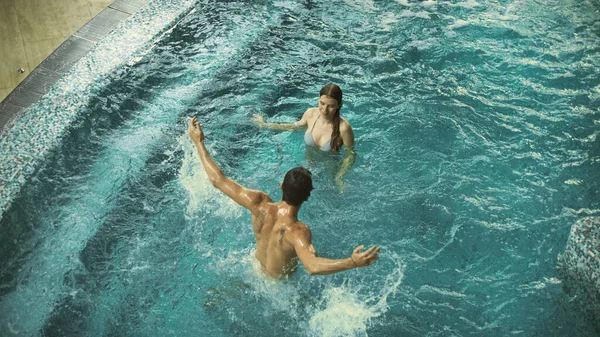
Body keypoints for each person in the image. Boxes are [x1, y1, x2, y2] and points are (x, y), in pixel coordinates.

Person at [188, 117, 379, 278]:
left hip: (253, 270)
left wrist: (199, 142)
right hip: (279, 288)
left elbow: (217, 180)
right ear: (308, 196)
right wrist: (351, 262)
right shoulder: (298, 231)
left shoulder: (259, 203)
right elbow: (312, 266)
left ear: (281, 186)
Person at [252, 84, 356, 189]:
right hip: (308, 166)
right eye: (322, 103)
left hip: (329, 173)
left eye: (331, 106)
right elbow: (293, 127)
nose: (325, 110)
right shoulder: (310, 114)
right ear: (318, 99)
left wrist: (339, 177)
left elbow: (350, 154)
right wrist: (265, 124)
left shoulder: (344, 128)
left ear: (339, 105)